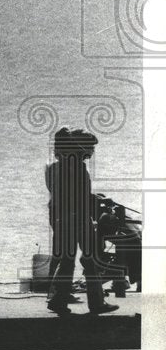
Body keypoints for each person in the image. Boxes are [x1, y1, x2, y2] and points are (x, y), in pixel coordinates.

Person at [45, 128, 119, 315]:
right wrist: (100, 201)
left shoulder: (54, 167)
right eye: (90, 147)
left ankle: (59, 299)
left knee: (66, 259)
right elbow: (79, 197)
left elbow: (64, 194)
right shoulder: (77, 167)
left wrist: (92, 198)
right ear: (80, 147)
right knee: (90, 259)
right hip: (77, 218)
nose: (92, 152)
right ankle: (96, 303)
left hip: (59, 217)